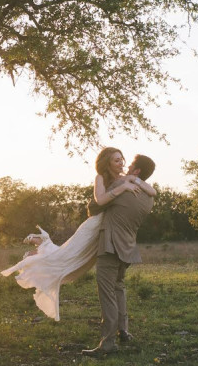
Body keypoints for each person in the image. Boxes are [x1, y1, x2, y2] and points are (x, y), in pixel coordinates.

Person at [1, 148, 156, 322]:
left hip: (107, 229)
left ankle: (43, 247)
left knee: (77, 259)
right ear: (108, 163)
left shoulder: (127, 179)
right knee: (69, 254)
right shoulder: (102, 178)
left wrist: (132, 180)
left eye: (123, 160)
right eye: (117, 160)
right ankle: (42, 246)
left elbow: (153, 191)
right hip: (95, 225)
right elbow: (99, 201)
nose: (122, 164)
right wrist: (124, 187)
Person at [82, 153, 157, 358]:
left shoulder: (120, 188)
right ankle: (123, 331)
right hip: (128, 247)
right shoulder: (148, 197)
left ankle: (107, 344)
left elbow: (94, 207)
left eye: (130, 163)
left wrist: (120, 184)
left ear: (137, 170)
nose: (126, 165)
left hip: (110, 245)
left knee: (107, 293)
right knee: (118, 288)